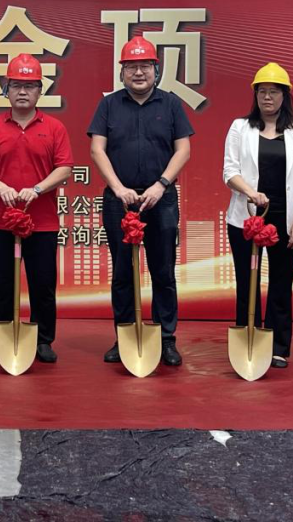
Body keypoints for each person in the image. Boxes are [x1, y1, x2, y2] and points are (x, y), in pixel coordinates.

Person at [88, 36, 193, 366]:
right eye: (131, 66)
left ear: (156, 70)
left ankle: (166, 339)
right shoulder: (108, 105)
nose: (138, 72)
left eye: (145, 66)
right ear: (121, 72)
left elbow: (183, 150)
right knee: (123, 272)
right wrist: (118, 188)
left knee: (163, 271)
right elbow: (97, 150)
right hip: (119, 200)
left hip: (160, 199)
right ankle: (124, 337)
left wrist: (161, 185)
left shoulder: (171, 104)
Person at [0, 54, 73, 363]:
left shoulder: (55, 127)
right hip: (1, 219)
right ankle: (5, 336)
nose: (23, 92)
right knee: (3, 283)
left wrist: (38, 188)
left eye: (30, 86)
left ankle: (43, 340)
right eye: (16, 85)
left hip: (42, 221)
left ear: (40, 91)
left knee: (43, 284)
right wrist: (0, 186)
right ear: (6, 89)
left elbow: (65, 168)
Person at [222, 62, 293, 368]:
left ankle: (278, 346)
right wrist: (250, 192)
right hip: (247, 217)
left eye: (274, 92)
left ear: (285, 95)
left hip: (285, 218)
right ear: (255, 95)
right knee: (246, 281)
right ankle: (248, 339)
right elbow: (229, 171)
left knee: (280, 283)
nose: (267, 97)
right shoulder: (240, 127)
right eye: (262, 91)